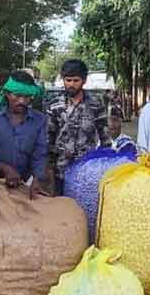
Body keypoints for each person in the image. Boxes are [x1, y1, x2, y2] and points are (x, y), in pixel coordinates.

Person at [0, 70, 48, 196]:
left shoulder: (39, 120)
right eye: (17, 96)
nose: (22, 101)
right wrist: (4, 168)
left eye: (27, 97)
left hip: (23, 186)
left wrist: (37, 178)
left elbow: (40, 153)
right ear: (7, 94)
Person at [47, 59, 111, 194]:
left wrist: (106, 162)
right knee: (61, 209)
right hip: (61, 170)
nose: (71, 84)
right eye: (68, 80)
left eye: (76, 81)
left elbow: (104, 136)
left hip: (87, 170)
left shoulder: (96, 103)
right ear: (63, 79)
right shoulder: (54, 105)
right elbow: (49, 136)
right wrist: (48, 166)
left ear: (84, 80)